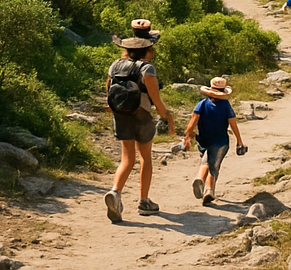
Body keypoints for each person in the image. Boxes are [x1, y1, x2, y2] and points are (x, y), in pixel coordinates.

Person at [103, 19, 175, 223]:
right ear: (148, 49)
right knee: (145, 158)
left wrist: (113, 109)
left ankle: (115, 193)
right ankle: (144, 201)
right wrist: (166, 116)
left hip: (121, 114)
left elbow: (108, 89)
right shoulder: (147, 69)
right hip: (141, 115)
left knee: (127, 159)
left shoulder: (115, 65)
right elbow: (156, 98)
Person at [182, 76, 246, 205]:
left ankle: (199, 178)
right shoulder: (225, 105)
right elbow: (233, 124)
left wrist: (187, 137)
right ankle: (209, 190)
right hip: (220, 141)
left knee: (205, 162)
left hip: (203, 140)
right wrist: (239, 141)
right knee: (214, 166)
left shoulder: (202, 104)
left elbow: (193, 122)